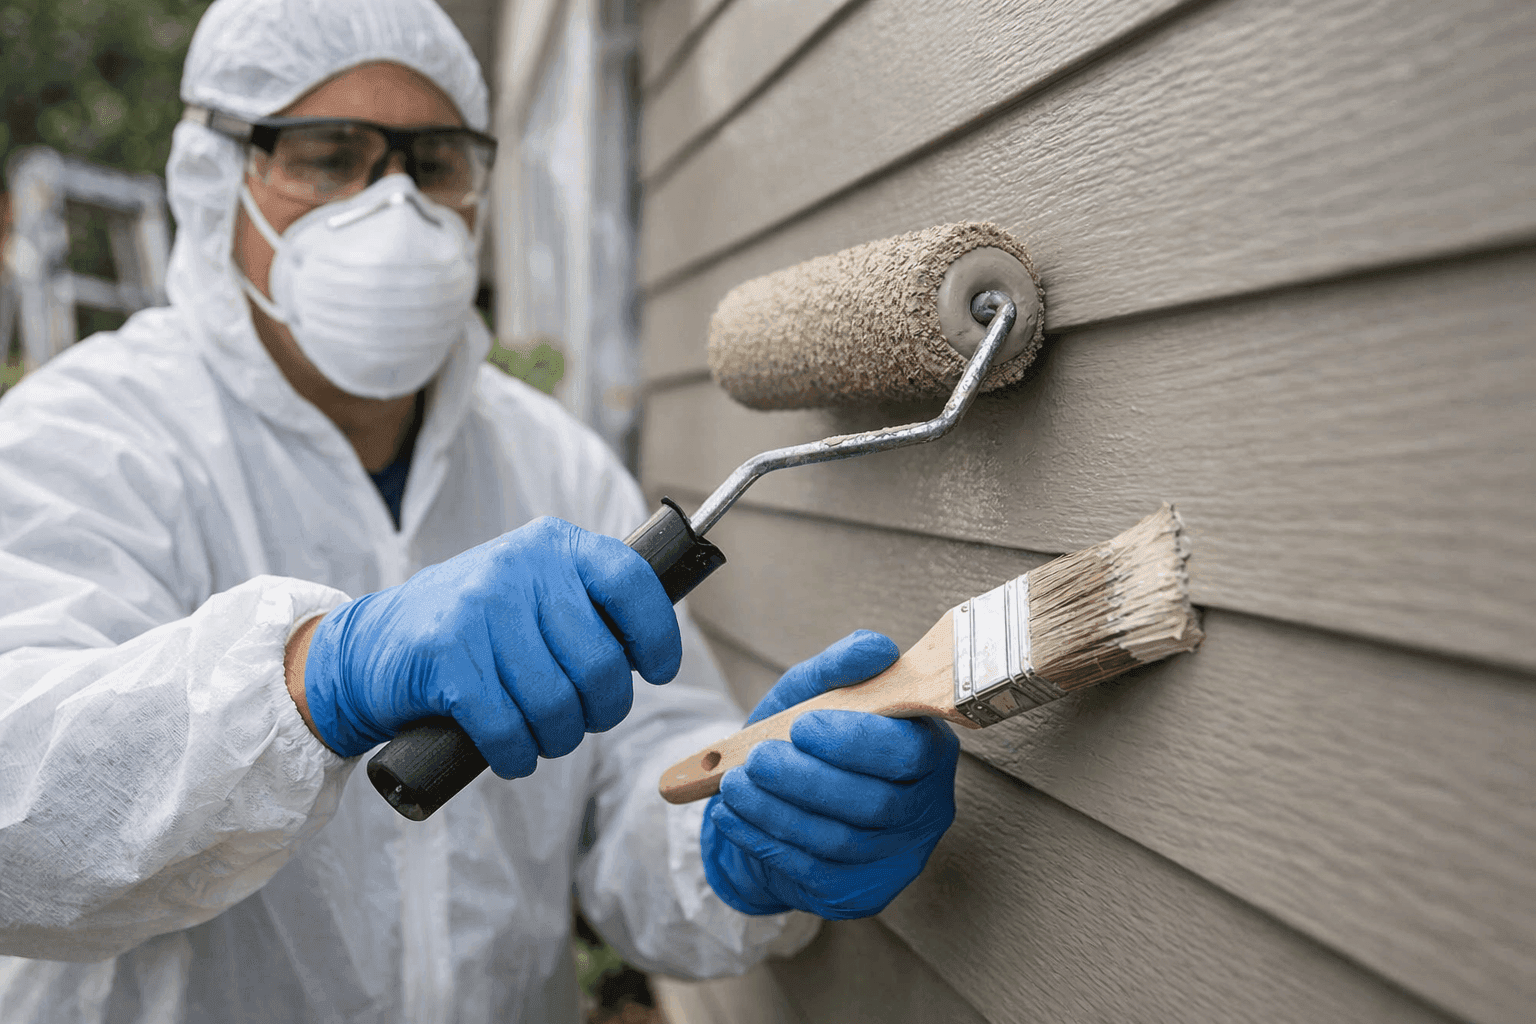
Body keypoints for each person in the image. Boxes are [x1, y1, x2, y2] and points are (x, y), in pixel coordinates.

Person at [0, 1, 959, 1020]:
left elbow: (639, 781)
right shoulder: (82, 438)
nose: (394, 206)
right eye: (329, 157)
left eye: (435, 162)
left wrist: (740, 838)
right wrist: (314, 677)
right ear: (214, 179)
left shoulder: (553, 462)